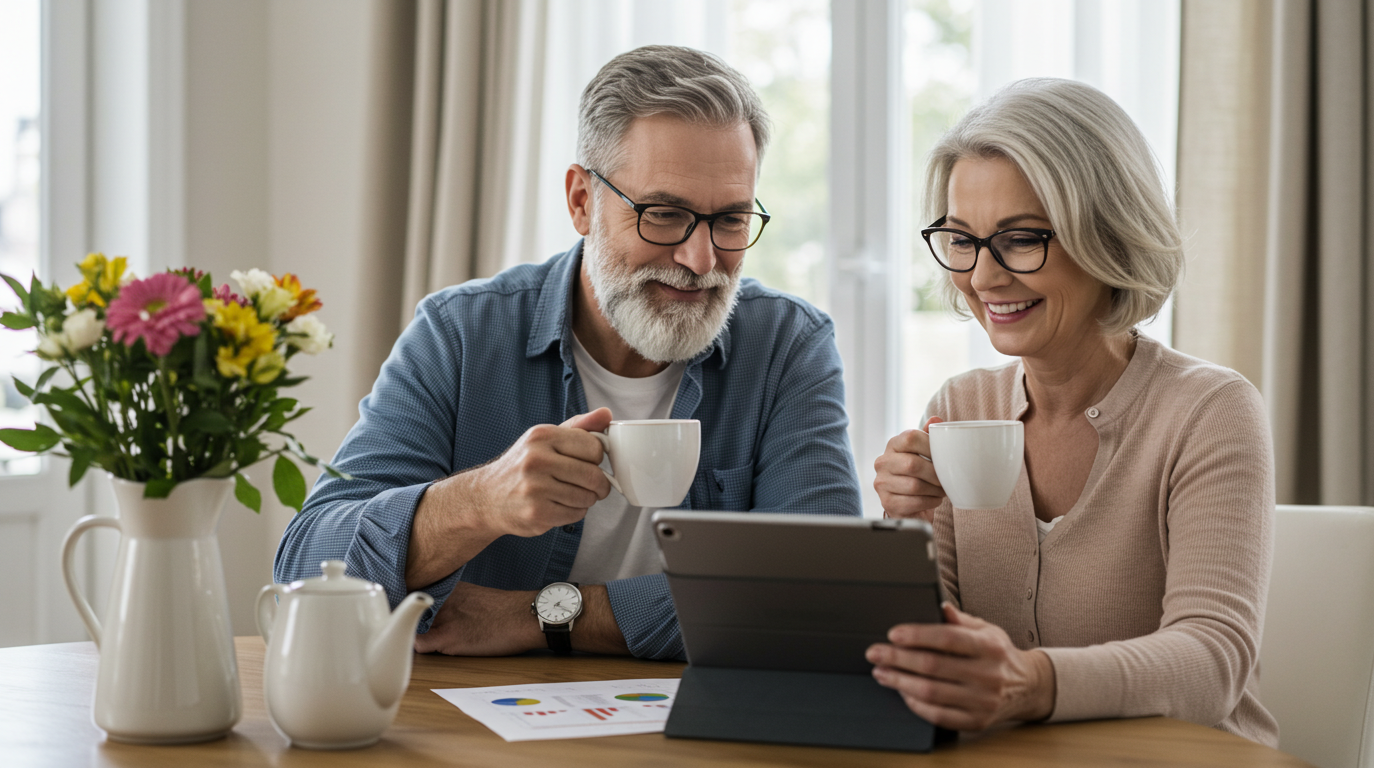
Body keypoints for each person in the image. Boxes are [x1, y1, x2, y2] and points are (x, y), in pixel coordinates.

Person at [273, 45, 861, 661]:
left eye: (731, 220)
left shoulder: (787, 346)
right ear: (582, 201)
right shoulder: (461, 334)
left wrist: (549, 616)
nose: (701, 260)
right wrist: (477, 503)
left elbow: (822, 593)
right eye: (663, 215)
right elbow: (306, 573)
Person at [869, 78, 1277, 746]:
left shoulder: (1209, 411)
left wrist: (1033, 684)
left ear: (1108, 235)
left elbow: (1212, 662)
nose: (983, 277)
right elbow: (926, 652)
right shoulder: (960, 407)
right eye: (961, 239)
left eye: (1021, 239)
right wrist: (903, 526)